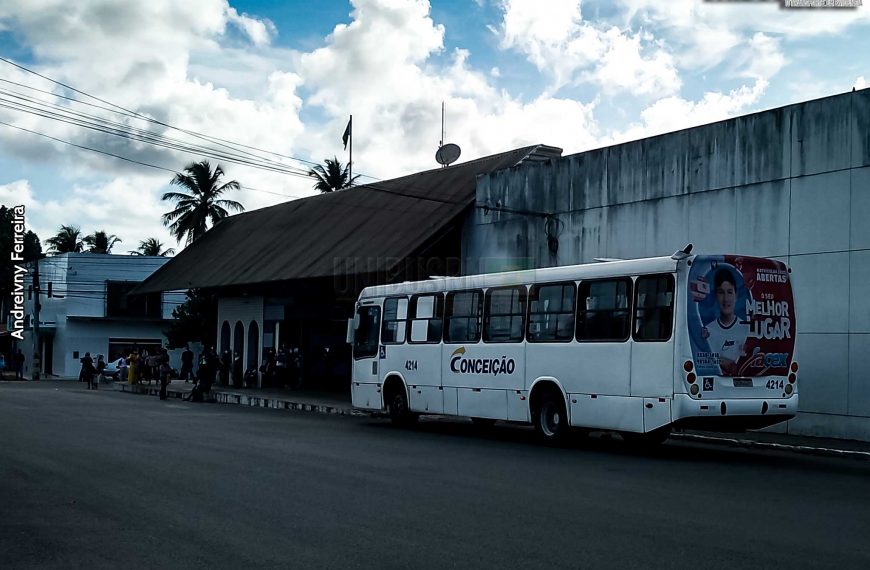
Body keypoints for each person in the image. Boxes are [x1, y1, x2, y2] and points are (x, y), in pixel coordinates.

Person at [703, 268, 750, 376]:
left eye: (729, 292)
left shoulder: (747, 329)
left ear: (736, 295)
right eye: (721, 292)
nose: (726, 299)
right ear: (715, 296)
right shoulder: (707, 331)